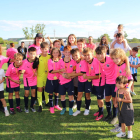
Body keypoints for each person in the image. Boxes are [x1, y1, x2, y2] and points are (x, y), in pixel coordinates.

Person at [95, 46, 130, 124]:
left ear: (105, 53)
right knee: (107, 98)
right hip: (107, 82)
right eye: (98, 54)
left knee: (115, 100)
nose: (99, 56)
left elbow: (125, 57)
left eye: (101, 54)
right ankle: (109, 114)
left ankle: (115, 116)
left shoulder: (110, 58)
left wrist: (127, 66)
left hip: (115, 83)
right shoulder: (97, 59)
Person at [58, 46, 76, 115]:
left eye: (69, 52)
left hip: (70, 81)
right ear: (63, 52)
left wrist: (69, 75)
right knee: (62, 95)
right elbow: (58, 70)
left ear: (70, 53)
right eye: (66, 52)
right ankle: (64, 108)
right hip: (62, 82)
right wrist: (62, 74)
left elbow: (74, 71)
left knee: (70, 96)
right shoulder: (60, 61)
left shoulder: (73, 62)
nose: (67, 53)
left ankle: (70, 108)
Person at [19, 47, 38, 113]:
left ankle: (32, 106)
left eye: (34, 54)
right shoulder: (24, 61)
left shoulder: (37, 60)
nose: (32, 55)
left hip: (34, 79)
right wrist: (22, 71)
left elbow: (39, 68)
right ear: (28, 54)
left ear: (36, 54)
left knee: (33, 93)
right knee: (26, 93)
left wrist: (37, 71)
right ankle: (26, 107)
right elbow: (20, 70)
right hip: (26, 79)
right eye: (31, 54)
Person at [45, 47, 63, 113]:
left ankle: (56, 105)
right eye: (54, 52)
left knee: (57, 93)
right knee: (51, 93)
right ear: (52, 53)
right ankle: (51, 106)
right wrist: (60, 70)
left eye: (57, 52)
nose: (55, 54)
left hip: (58, 79)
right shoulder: (49, 61)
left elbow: (63, 69)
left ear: (59, 53)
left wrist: (61, 71)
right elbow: (51, 71)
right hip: (51, 79)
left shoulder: (61, 60)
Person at [37, 42, 50, 112]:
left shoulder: (50, 56)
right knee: (40, 89)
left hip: (47, 76)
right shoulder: (38, 57)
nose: (45, 50)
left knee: (46, 89)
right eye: (43, 49)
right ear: (41, 49)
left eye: (46, 49)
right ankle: (40, 104)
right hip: (40, 76)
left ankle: (47, 102)